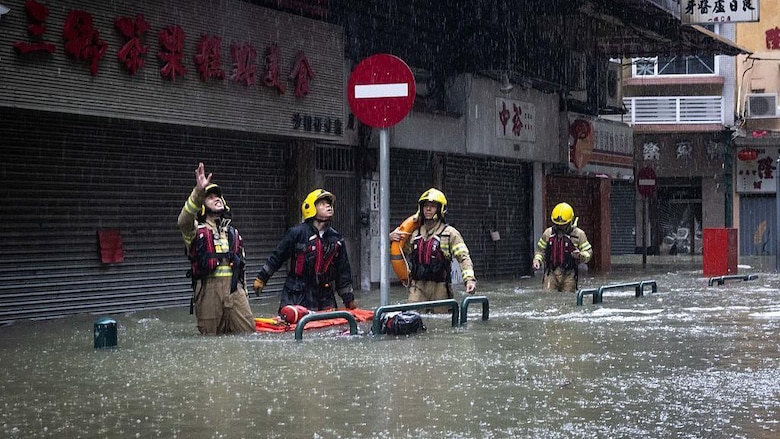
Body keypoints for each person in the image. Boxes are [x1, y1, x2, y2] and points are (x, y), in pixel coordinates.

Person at [177, 163, 255, 335]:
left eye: (218, 196)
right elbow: (183, 220)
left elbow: (243, 268)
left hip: (236, 292)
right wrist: (198, 192)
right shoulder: (195, 230)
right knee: (210, 344)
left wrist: (245, 294)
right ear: (202, 206)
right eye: (210, 197)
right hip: (208, 292)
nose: (217, 198)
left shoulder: (233, 233)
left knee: (248, 336)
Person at [252, 189, 356, 311]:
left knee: (328, 328)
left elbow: (343, 272)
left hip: (324, 295)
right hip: (296, 293)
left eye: (329, 203)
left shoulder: (336, 239)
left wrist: (349, 301)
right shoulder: (297, 233)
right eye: (322, 204)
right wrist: (261, 279)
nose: (328, 206)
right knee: (293, 326)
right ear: (310, 208)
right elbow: (277, 257)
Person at [389, 188, 476, 311]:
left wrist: (469, 280)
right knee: (411, 319)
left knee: (441, 324)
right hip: (417, 287)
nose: (428, 209)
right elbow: (399, 252)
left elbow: (463, 258)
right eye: (425, 206)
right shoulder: (414, 234)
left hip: (440, 288)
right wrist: (391, 238)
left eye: (432, 206)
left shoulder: (450, 233)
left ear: (440, 209)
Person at [532, 202, 592, 292]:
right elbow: (540, 251)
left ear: (570, 221)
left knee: (567, 299)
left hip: (569, 274)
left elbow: (588, 253)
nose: (560, 227)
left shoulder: (579, 234)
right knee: (547, 296)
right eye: (557, 224)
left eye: (563, 225)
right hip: (551, 273)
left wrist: (581, 255)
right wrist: (537, 260)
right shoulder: (548, 233)